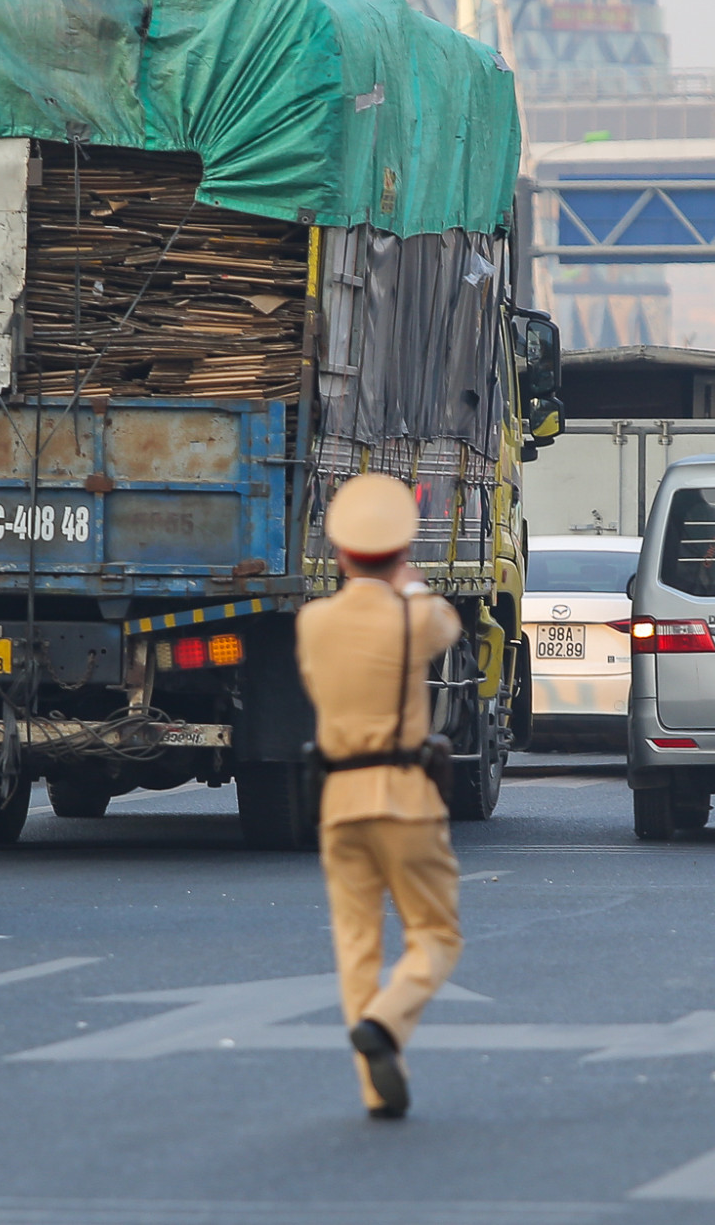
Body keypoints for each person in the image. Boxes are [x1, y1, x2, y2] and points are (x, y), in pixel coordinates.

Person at [295, 474, 464, 1120]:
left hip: (339, 801)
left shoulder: (313, 622)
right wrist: (411, 583)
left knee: (356, 943)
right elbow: (445, 623)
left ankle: (374, 1085)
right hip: (406, 798)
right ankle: (389, 1023)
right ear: (400, 551)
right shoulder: (414, 615)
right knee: (436, 934)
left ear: (338, 553)